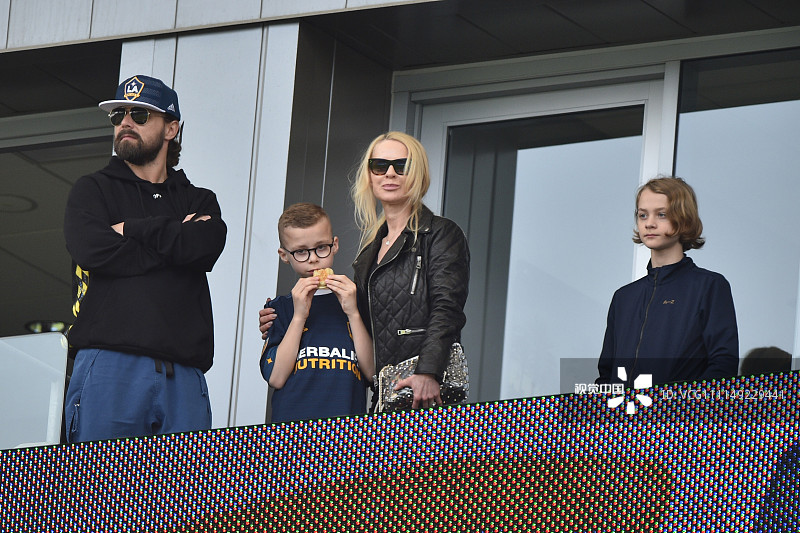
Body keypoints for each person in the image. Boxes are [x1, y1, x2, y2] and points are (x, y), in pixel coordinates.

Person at [62, 74, 227, 442]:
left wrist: (131, 229)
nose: (125, 122)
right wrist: (175, 239)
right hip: (109, 364)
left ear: (171, 128)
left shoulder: (198, 200)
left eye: (139, 114)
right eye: (118, 114)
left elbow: (204, 247)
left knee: (186, 499)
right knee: (98, 494)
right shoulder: (92, 189)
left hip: (183, 374)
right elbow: (94, 251)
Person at [260, 132, 470, 410]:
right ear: (369, 175)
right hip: (384, 393)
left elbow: (447, 308)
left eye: (402, 166)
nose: (390, 174)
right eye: (380, 166)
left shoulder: (440, 232)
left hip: (422, 386)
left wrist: (428, 371)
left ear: (417, 173)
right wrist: (280, 314)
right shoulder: (370, 249)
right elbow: (360, 318)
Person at [597, 176, 738, 386]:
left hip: (679, 417)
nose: (649, 223)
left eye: (661, 214)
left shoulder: (709, 286)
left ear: (684, 219)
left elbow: (723, 365)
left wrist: (676, 411)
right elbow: (606, 375)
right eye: (643, 215)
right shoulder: (623, 298)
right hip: (624, 417)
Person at [259, 203, 374, 422]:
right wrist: (299, 315)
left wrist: (353, 313)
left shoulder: (356, 300)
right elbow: (276, 377)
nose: (313, 259)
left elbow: (371, 373)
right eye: (301, 251)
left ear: (335, 245)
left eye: (321, 247)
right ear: (284, 255)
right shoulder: (279, 308)